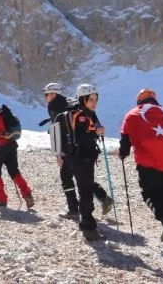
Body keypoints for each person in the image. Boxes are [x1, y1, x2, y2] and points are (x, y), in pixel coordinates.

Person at [119, 88, 163, 242]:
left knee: (149, 193)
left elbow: (125, 138)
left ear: (139, 101)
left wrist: (123, 153)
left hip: (148, 159)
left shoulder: (133, 114)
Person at [44, 82, 112, 220]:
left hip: (70, 150)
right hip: (85, 149)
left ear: (53, 93)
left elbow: (58, 130)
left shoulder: (54, 105)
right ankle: (102, 198)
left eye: (47, 94)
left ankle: (74, 210)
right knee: (82, 177)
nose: (46, 97)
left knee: (68, 177)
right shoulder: (76, 104)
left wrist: (58, 152)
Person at [66, 83, 108, 241]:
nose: (94, 102)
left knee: (86, 189)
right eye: (91, 99)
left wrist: (96, 131)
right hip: (81, 158)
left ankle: (87, 224)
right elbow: (80, 138)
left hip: (85, 158)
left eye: (95, 99)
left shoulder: (89, 113)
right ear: (83, 99)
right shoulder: (81, 115)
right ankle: (89, 228)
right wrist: (95, 132)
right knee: (86, 191)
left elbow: (89, 131)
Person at [0, 96, 34, 209]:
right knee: (14, 172)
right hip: (11, 145)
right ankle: (27, 194)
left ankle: (1, 199)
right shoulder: (1, 112)